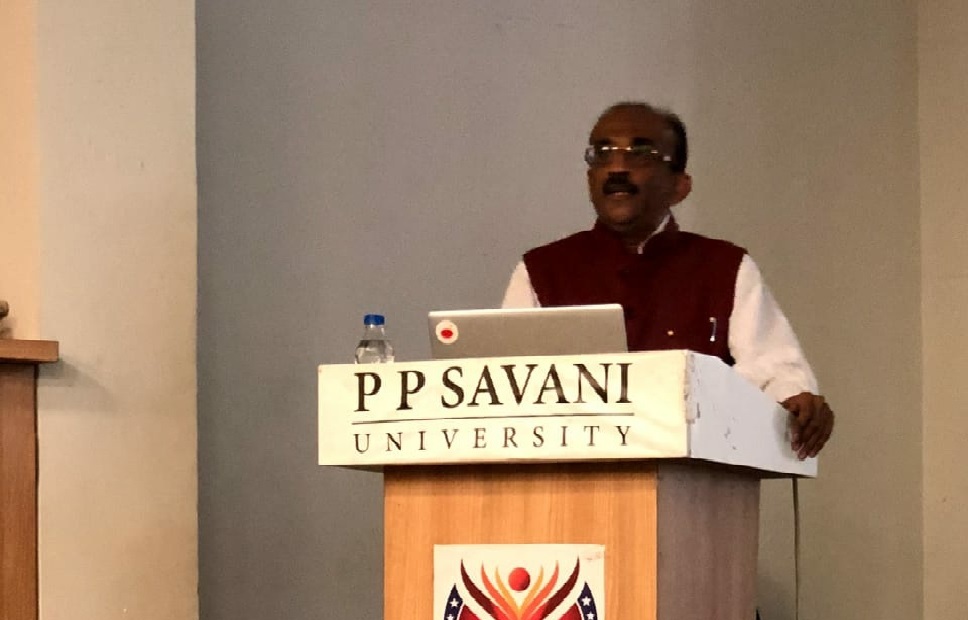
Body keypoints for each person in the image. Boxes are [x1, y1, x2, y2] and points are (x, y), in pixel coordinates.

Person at [501, 101, 834, 459]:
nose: (617, 167)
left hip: (696, 481)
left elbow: (774, 370)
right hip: (567, 478)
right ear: (589, 178)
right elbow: (498, 387)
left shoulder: (723, 267)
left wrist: (797, 401)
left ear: (680, 186)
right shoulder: (541, 270)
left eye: (640, 153)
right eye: (603, 153)